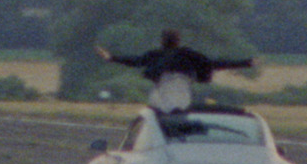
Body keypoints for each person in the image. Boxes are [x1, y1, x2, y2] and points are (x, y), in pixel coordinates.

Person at [96, 29, 254, 113]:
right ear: (178, 41)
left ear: (162, 41)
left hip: (162, 93)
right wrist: (246, 63)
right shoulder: (189, 55)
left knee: (156, 112)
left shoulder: (154, 55)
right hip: (182, 93)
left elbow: (135, 61)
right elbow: (214, 63)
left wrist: (111, 57)